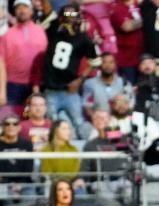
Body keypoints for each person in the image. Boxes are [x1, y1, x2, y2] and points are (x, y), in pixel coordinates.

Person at [41, 4, 101, 138]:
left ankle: (86, 155)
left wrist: (80, 80)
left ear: (78, 17)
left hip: (70, 90)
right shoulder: (53, 30)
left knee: (79, 123)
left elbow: (95, 62)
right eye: (66, 15)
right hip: (51, 89)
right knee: (52, 125)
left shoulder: (84, 38)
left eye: (72, 15)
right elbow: (47, 11)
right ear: (61, 17)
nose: (69, 18)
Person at [0, 0, 48, 108]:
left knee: (30, 116)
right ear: (14, 12)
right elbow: (1, 64)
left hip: (35, 85)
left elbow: (45, 59)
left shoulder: (40, 31)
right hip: (13, 85)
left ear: (31, 11)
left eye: (25, 7)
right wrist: (2, 91)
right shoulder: (6, 35)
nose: (22, 10)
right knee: (12, 118)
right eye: (18, 8)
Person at [82, 53, 132, 119]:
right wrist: (97, 120)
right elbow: (87, 106)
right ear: (99, 65)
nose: (108, 65)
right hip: (99, 122)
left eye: (111, 62)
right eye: (104, 62)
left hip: (120, 120)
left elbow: (130, 104)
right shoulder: (90, 84)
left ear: (115, 64)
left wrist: (122, 105)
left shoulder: (124, 83)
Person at [0, 115, 35, 198]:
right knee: (5, 198)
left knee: (30, 197)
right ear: (3, 127)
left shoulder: (27, 144)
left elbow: (28, 168)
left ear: (19, 127)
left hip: (24, 183)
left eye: (14, 124)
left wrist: (20, 185)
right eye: (7, 124)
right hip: (3, 184)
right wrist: (10, 185)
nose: (11, 126)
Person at [110, 0, 145, 82]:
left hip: (144, 57)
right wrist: (147, 18)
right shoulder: (116, 8)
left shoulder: (139, 4)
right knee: (129, 90)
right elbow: (127, 27)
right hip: (127, 60)